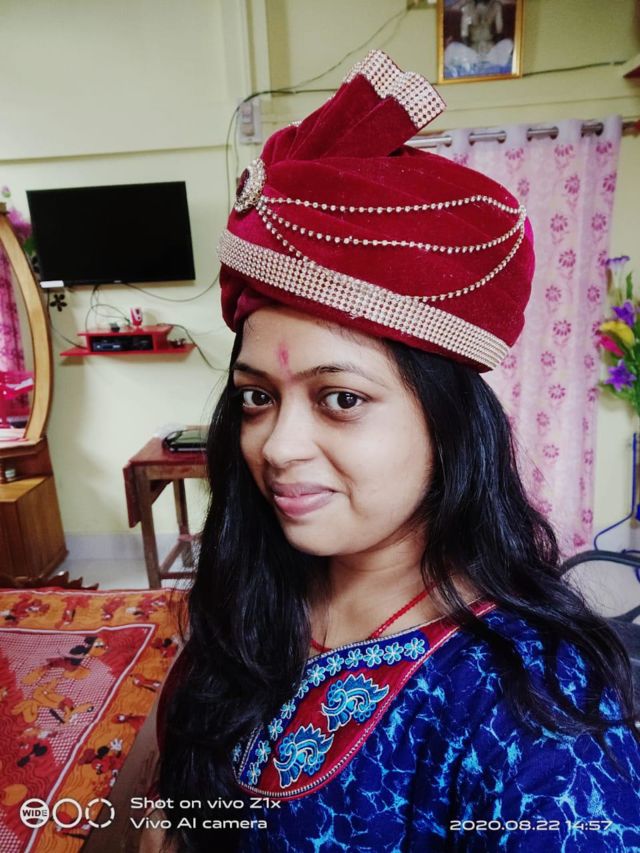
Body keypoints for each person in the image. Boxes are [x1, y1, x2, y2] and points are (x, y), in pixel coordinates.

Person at [143, 49, 640, 852]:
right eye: (257, 397)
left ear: (448, 423)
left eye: (341, 398)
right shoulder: (262, 585)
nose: (278, 446)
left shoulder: (531, 712)